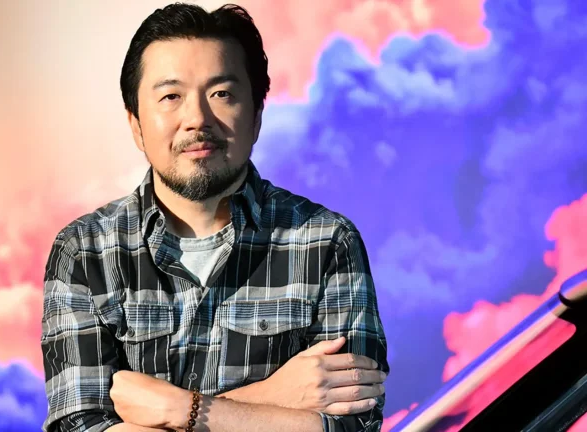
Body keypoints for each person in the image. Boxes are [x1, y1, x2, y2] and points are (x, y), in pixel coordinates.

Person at [41, 3, 389, 431]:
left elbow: (355, 425)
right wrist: (272, 399)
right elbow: (80, 425)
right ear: (135, 125)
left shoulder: (326, 241)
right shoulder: (84, 252)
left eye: (221, 93)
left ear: (257, 115)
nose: (197, 119)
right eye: (171, 97)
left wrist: (174, 409)